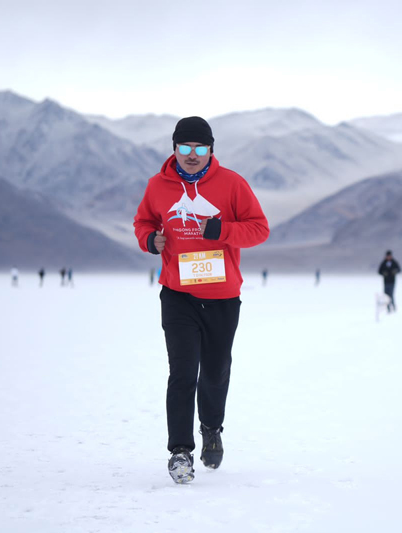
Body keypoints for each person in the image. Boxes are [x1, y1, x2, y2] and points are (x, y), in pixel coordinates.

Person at [133, 116, 269, 485]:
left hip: (222, 297)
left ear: (211, 149)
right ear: (174, 148)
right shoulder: (158, 186)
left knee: (215, 370)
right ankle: (180, 451)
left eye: (199, 148)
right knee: (182, 372)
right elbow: (143, 223)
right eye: (184, 147)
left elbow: (259, 229)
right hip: (178, 295)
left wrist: (223, 230)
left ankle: (211, 427)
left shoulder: (232, 184)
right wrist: (150, 241)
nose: (191, 155)